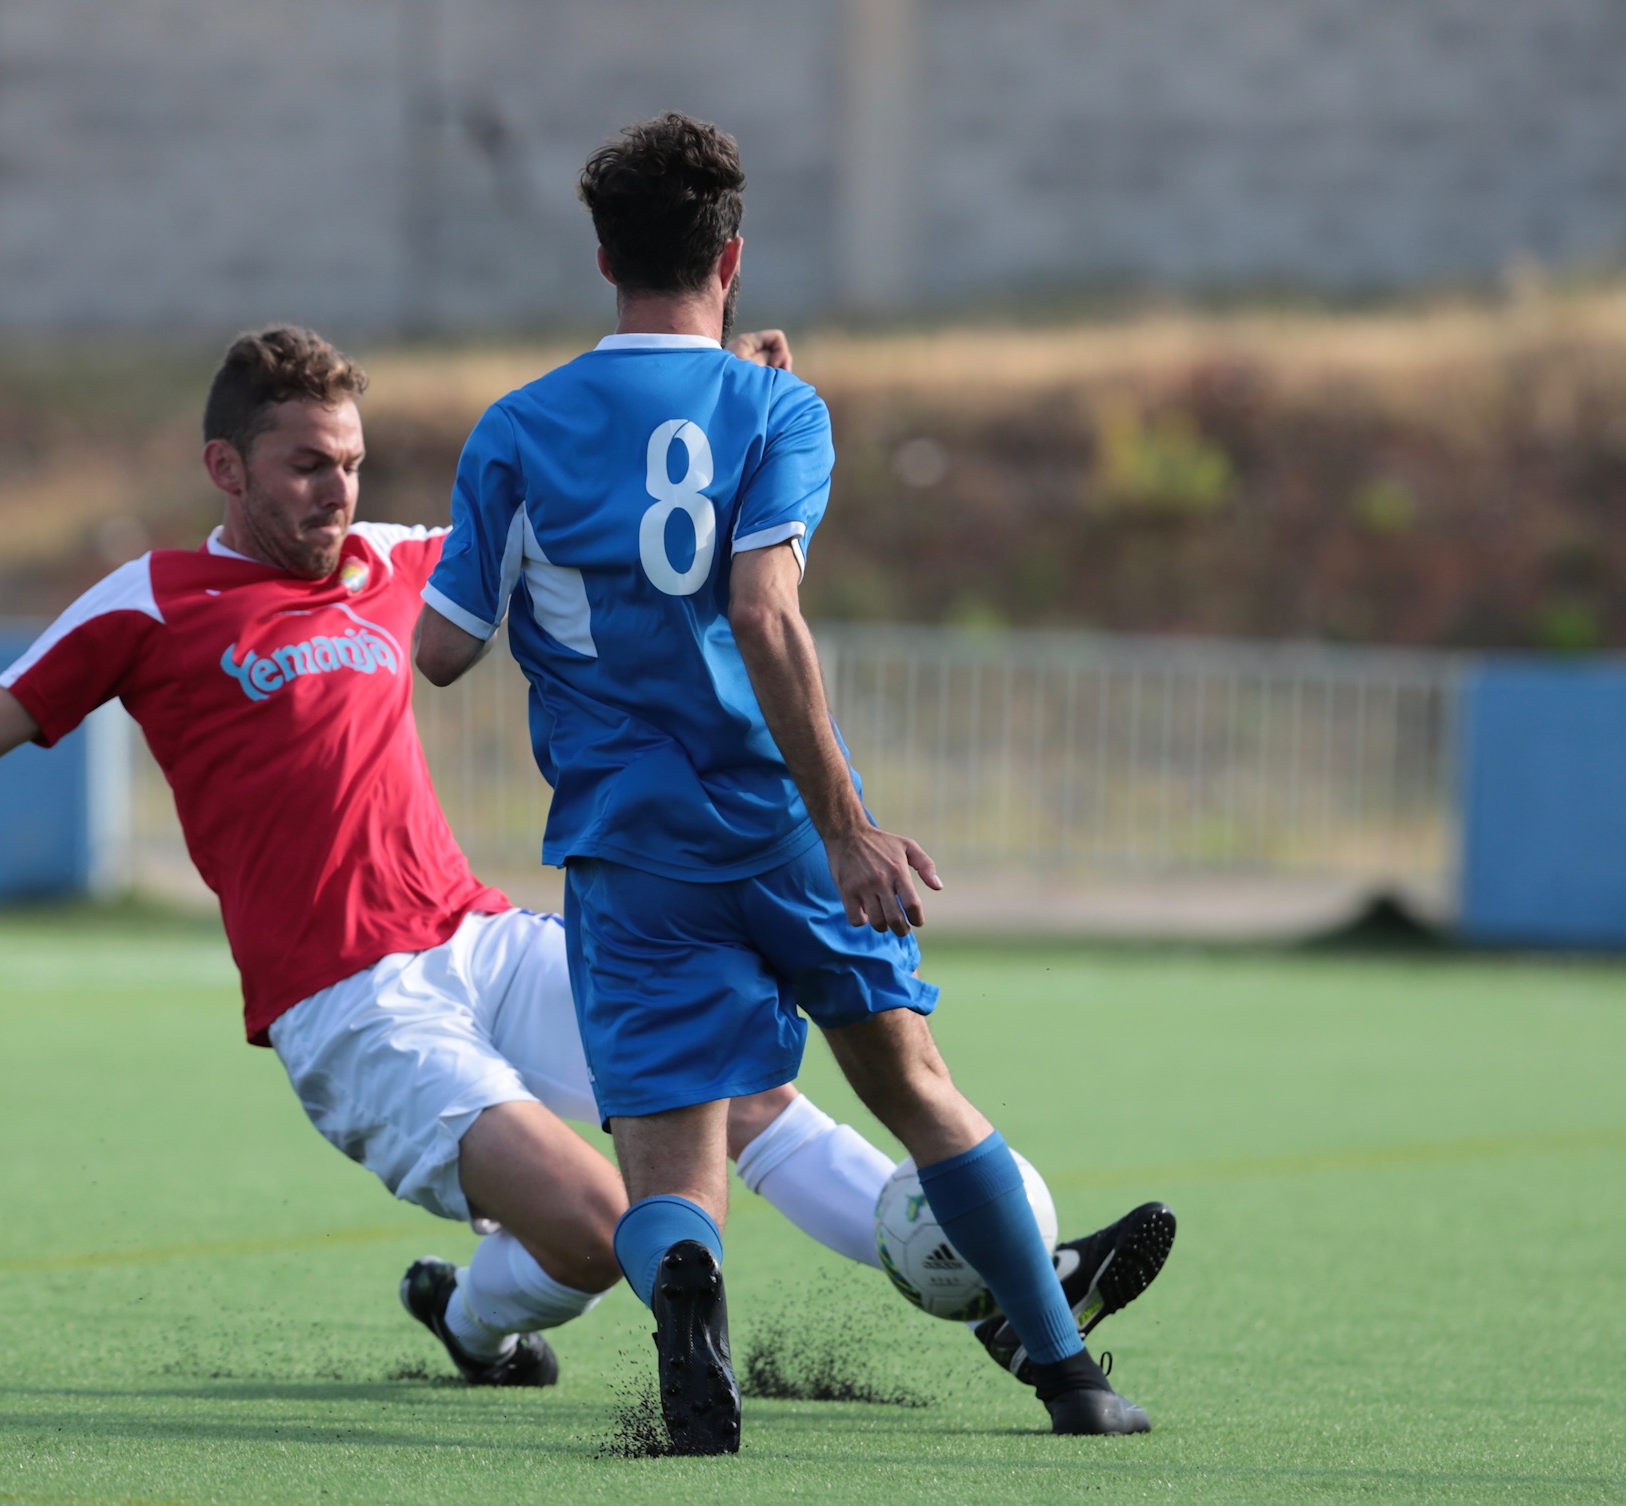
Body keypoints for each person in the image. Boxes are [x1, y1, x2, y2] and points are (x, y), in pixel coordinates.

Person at [0, 325, 920, 1387]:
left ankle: (968, 1263)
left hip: (480, 938)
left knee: (739, 1090)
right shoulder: (151, 601)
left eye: (350, 464)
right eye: (306, 466)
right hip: (351, 1003)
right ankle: (471, 1321)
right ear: (225, 467)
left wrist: (713, 388)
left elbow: (590, 503)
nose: (337, 490)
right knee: (599, 1228)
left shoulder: (393, 559)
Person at [415, 113, 1164, 1451]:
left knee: (671, 1155)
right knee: (913, 1086)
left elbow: (443, 651)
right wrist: (848, 829)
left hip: (628, 845)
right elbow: (760, 612)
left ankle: (687, 1307)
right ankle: (1068, 1376)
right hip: (781, 823)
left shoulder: (515, 431)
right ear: (732, 259)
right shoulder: (777, 408)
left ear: (603, 258)